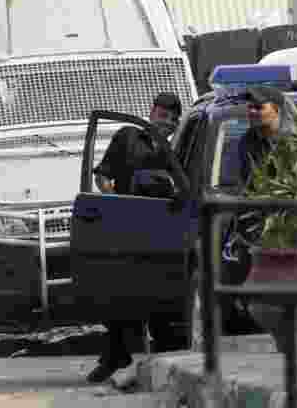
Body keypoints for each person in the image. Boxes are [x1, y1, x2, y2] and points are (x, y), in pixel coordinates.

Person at [85, 92, 189, 385]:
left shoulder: (173, 151)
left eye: (171, 119)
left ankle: (163, 359)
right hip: (123, 225)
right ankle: (114, 357)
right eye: (161, 114)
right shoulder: (127, 136)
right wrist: (114, 202)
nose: (165, 122)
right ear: (151, 112)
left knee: (156, 296)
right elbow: (102, 175)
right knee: (119, 295)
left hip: (158, 228)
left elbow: (181, 188)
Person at [237, 85, 286, 188]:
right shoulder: (247, 141)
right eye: (250, 107)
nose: (252, 111)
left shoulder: (294, 139)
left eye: (258, 107)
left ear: (276, 109)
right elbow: (248, 182)